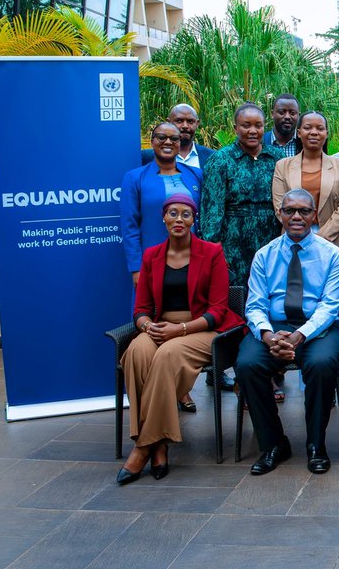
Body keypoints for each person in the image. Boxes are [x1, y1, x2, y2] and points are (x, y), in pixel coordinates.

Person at [117, 193, 243, 485]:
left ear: (193, 220)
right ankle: (159, 444)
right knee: (137, 353)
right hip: (159, 327)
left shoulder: (211, 252)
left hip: (201, 329)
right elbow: (141, 309)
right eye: (173, 213)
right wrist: (148, 327)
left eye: (186, 214)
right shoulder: (151, 256)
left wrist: (181, 329)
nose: (179, 219)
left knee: (167, 355)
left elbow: (218, 310)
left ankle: (142, 447)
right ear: (163, 218)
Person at [234, 189, 339, 475]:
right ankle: (273, 444)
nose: (296, 216)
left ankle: (315, 445)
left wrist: (299, 336)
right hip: (275, 327)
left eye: (304, 211)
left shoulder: (332, 254)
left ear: (314, 215)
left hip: (318, 328)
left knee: (321, 364)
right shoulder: (264, 255)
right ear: (280, 214)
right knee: (247, 365)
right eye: (290, 211)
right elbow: (256, 305)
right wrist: (267, 335)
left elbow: (329, 307)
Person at [199, 103, 284, 286]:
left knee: (270, 292)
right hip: (233, 242)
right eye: (246, 125)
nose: (253, 131)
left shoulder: (278, 158)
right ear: (235, 128)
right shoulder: (221, 160)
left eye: (258, 125)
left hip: (272, 240)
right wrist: (215, 250)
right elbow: (211, 210)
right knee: (235, 297)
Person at [272, 112, 339, 277]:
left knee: (331, 296)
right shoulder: (283, 166)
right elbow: (279, 206)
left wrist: (318, 239)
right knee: (294, 294)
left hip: (333, 240)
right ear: (299, 132)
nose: (314, 132)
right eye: (308, 128)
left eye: (320, 128)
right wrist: (302, 236)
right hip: (293, 238)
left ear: (326, 133)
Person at [122, 121, 204, 287]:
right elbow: (129, 226)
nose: (168, 142)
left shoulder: (195, 174)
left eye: (174, 138)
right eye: (161, 137)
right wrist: (136, 268)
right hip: (153, 260)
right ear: (152, 141)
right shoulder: (135, 178)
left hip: (193, 258)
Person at [140, 104, 214, 168]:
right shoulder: (146, 157)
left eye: (190, 121)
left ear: (197, 124)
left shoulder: (211, 157)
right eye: (179, 121)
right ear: (169, 122)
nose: (185, 126)